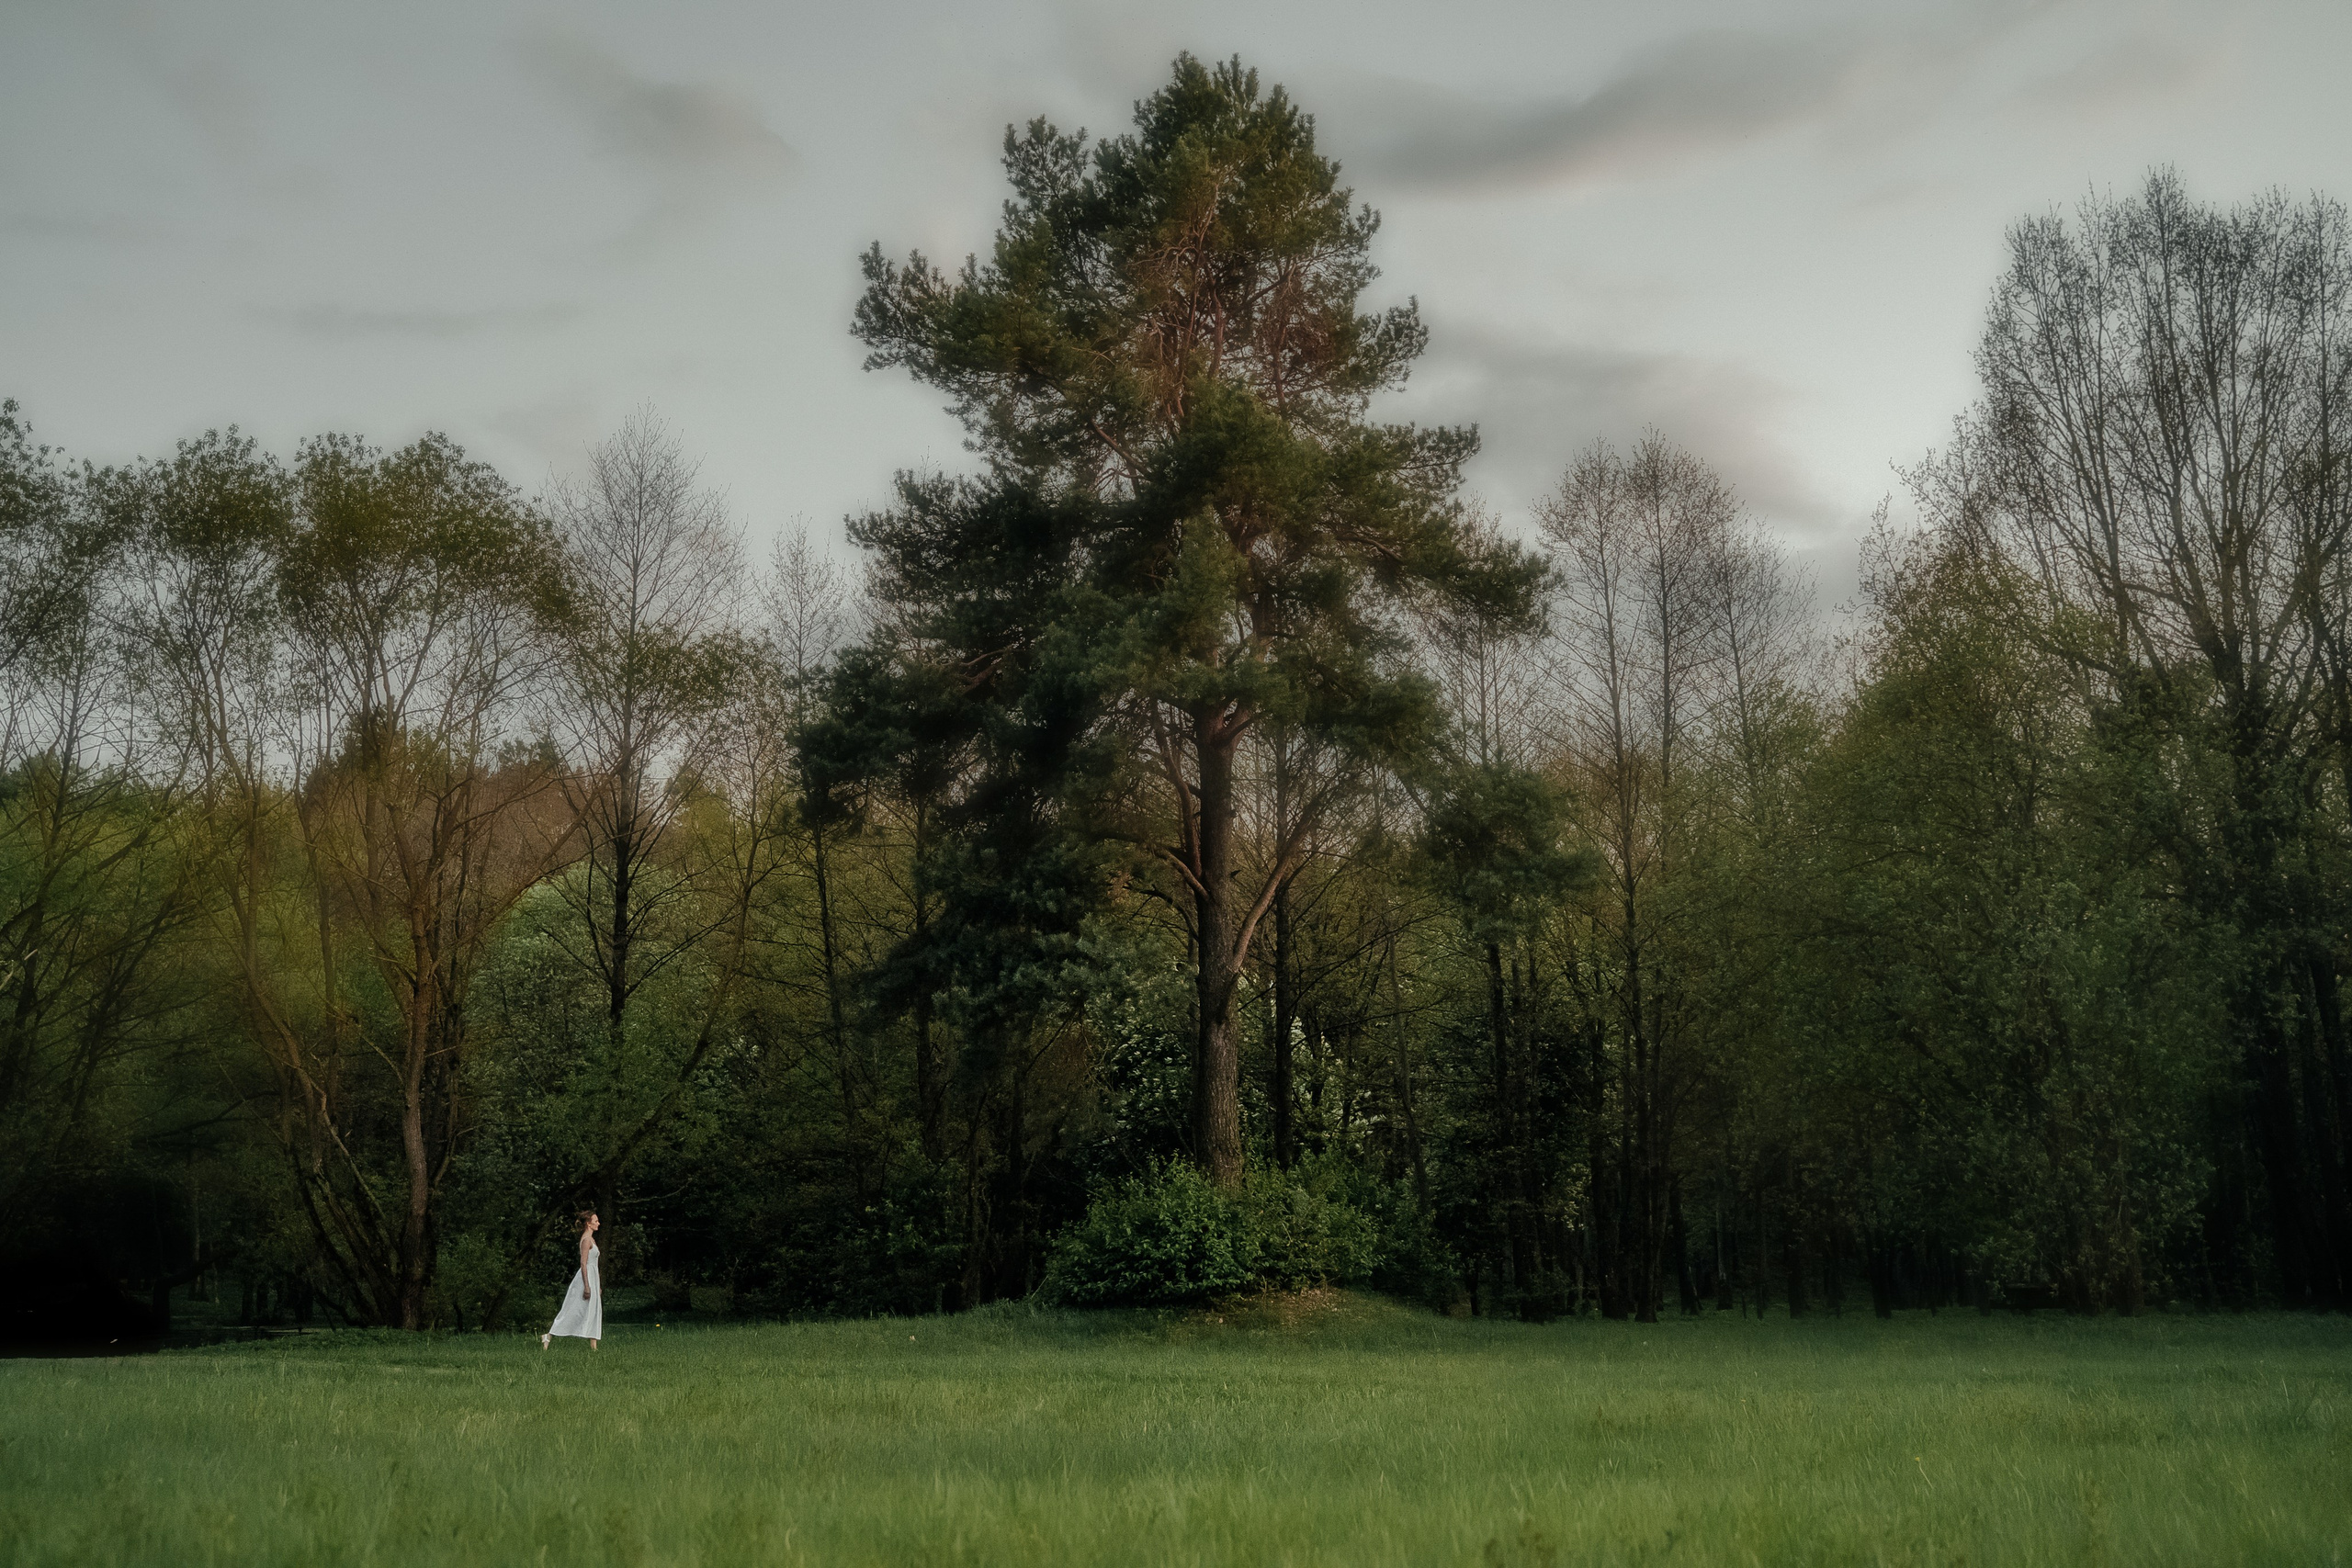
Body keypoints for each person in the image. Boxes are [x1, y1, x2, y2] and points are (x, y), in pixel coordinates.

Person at [542, 1211, 602, 1351]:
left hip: (593, 1277)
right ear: (588, 1223)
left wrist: (597, 1284)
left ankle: (594, 1347)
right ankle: (548, 1335)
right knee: (574, 1310)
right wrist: (587, 1286)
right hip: (585, 1278)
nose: (598, 1223)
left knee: (593, 1309)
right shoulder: (586, 1240)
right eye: (596, 1221)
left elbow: (595, 1263)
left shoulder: (592, 1239)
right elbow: (584, 1263)